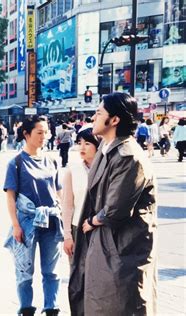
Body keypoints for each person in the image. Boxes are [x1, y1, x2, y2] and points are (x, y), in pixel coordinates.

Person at [69, 92, 157, 315]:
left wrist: (92, 220)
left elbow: (115, 210)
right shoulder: (106, 149)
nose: (94, 118)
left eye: (99, 113)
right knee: (96, 300)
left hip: (121, 248)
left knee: (119, 304)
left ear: (114, 120)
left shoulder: (129, 156)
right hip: (102, 245)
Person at [3, 115, 63, 316]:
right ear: (26, 134)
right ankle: (26, 309)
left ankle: (51, 308)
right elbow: (10, 197)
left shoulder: (52, 160)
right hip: (27, 223)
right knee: (24, 271)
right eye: (39, 132)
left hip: (51, 223)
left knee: (51, 271)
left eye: (46, 132)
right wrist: (16, 225)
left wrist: (64, 216)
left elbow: (58, 191)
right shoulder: (16, 163)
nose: (44, 136)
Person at [61, 128, 100, 259]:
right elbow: (67, 205)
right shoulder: (73, 170)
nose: (82, 147)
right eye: (79, 143)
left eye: (87, 143)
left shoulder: (106, 169)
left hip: (101, 228)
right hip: (77, 228)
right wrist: (67, 235)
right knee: (78, 273)